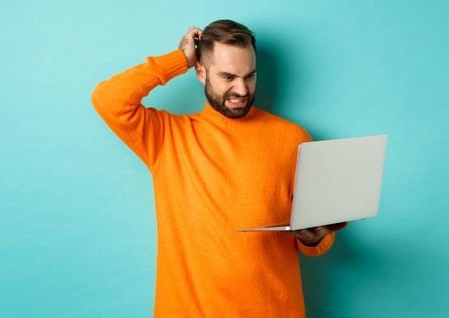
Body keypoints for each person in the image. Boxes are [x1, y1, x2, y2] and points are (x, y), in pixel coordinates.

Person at [91, 19, 348, 317]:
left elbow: (319, 241)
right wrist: (179, 59)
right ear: (201, 72)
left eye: (249, 76)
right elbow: (108, 100)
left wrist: (313, 237)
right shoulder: (167, 137)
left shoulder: (294, 139)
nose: (241, 89)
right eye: (228, 77)